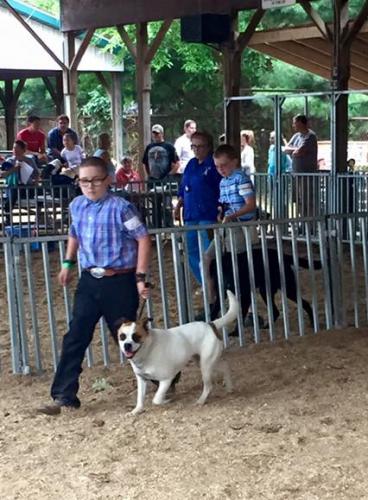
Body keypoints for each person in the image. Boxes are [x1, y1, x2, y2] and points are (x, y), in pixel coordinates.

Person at [37, 156, 151, 415]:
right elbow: (74, 234)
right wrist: (67, 263)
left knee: (127, 337)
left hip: (120, 280)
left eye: (96, 180)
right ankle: (64, 395)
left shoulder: (122, 208)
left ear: (108, 180)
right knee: (76, 335)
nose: (89, 186)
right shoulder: (76, 205)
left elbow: (143, 238)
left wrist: (140, 276)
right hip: (89, 279)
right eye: (84, 180)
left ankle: (163, 377)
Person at [203, 144, 258, 319]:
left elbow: (250, 204)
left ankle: (247, 311)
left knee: (238, 268)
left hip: (239, 228)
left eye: (224, 165)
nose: (221, 169)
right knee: (207, 258)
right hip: (227, 226)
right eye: (218, 166)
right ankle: (212, 301)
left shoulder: (241, 178)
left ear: (234, 162)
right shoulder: (223, 181)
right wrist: (223, 214)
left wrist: (232, 216)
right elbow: (225, 205)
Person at [174, 131, 221, 285]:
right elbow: (184, 187)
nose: (196, 150)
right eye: (194, 146)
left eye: (200, 146)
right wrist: (178, 205)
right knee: (192, 251)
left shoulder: (214, 165)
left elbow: (220, 188)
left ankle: (217, 284)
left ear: (209, 147)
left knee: (210, 253)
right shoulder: (191, 164)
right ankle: (206, 284)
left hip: (208, 214)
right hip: (190, 214)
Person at [285, 114, 318, 217]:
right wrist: (294, 150)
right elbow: (286, 150)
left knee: (307, 199)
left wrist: (295, 150)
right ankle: (302, 222)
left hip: (307, 175)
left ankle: (310, 223)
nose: (293, 125)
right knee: (298, 200)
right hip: (296, 174)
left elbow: (299, 152)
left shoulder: (310, 136)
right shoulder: (296, 136)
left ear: (300, 123)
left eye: (295, 123)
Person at [0, 140, 39, 223]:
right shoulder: (9, 161)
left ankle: (40, 219)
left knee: (39, 195)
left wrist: (36, 180)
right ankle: (8, 220)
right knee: (12, 195)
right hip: (13, 186)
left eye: (17, 148)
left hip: (27, 186)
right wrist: (14, 169)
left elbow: (36, 173)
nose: (15, 150)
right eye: (14, 148)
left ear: (23, 150)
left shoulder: (29, 160)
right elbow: (3, 174)